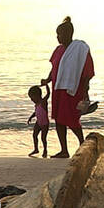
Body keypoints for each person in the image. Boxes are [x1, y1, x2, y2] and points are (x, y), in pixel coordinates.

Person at [41, 16, 97, 158]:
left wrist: (85, 90)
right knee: (59, 120)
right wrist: (47, 80)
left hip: (72, 90)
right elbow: (54, 67)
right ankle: (64, 150)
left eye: (60, 34)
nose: (58, 38)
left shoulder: (80, 49)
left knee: (71, 119)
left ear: (68, 34)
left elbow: (87, 71)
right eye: (57, 35)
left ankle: (82, 145)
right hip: (58, 88)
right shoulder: (58, 50)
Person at [26, 83, 50, 157]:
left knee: (43, 137)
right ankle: (36, 149)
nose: (31, 100)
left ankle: (45, 150)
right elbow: (36, 112)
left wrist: (46, 85)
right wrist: (31, 117)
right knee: (34, 135)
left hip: (45, 123)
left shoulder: (43, 102)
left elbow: (48, 94)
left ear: (37, 96)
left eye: (32, 98)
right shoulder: (36, 104)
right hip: (38, 122)